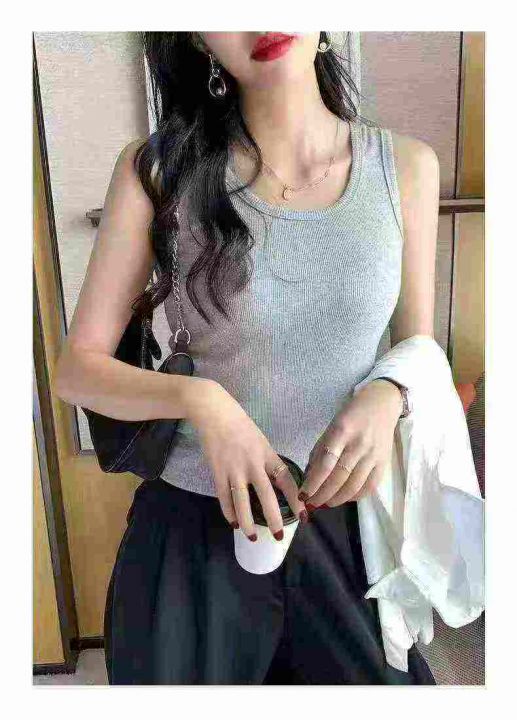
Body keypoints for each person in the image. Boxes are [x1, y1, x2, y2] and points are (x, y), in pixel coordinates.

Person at [55, 31, 439, 685]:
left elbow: (416, 348)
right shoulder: (159, 169)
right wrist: (203, 402)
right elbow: (76, 370)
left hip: (346, 524)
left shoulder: (404, 167)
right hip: (195, 525)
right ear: (198, 39)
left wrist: (390, 392)